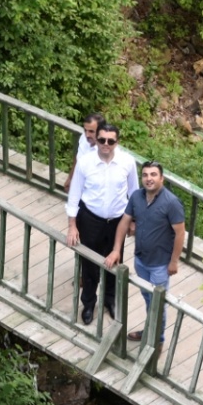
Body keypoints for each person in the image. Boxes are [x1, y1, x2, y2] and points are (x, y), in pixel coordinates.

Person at [65, 122, 138, 324]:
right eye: (102, 140)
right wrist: (72, 225)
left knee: (115, 260)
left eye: (110, 141)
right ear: (96, 140)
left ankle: (110, 300)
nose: (106, 144)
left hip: (117, 221)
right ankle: (88, 303)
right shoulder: (85, 162)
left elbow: (134, 193)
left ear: (117, 142)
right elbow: (75, 194)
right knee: (89, 264)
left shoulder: (127, 162)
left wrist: (134, 220)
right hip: (90, 219)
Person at [106, 161, 185, 345]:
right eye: (145, 175)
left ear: (162, 178)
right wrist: (116, 250)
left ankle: (156, 341)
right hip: (140, 261)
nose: (149, 178)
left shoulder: (171, 203)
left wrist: (174, 261)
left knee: (157, 305)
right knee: (148, 299)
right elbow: (125, 222)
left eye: (153, 175)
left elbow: (180, 233)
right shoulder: (136, 197)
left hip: (160, 265)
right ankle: (150, 331)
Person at [61, 113, 104, 192]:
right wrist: (70, 178)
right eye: (85, 130)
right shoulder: (84, 138)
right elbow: (78, 159)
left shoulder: (106, 151)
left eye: (91, 131)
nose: (87, 135)